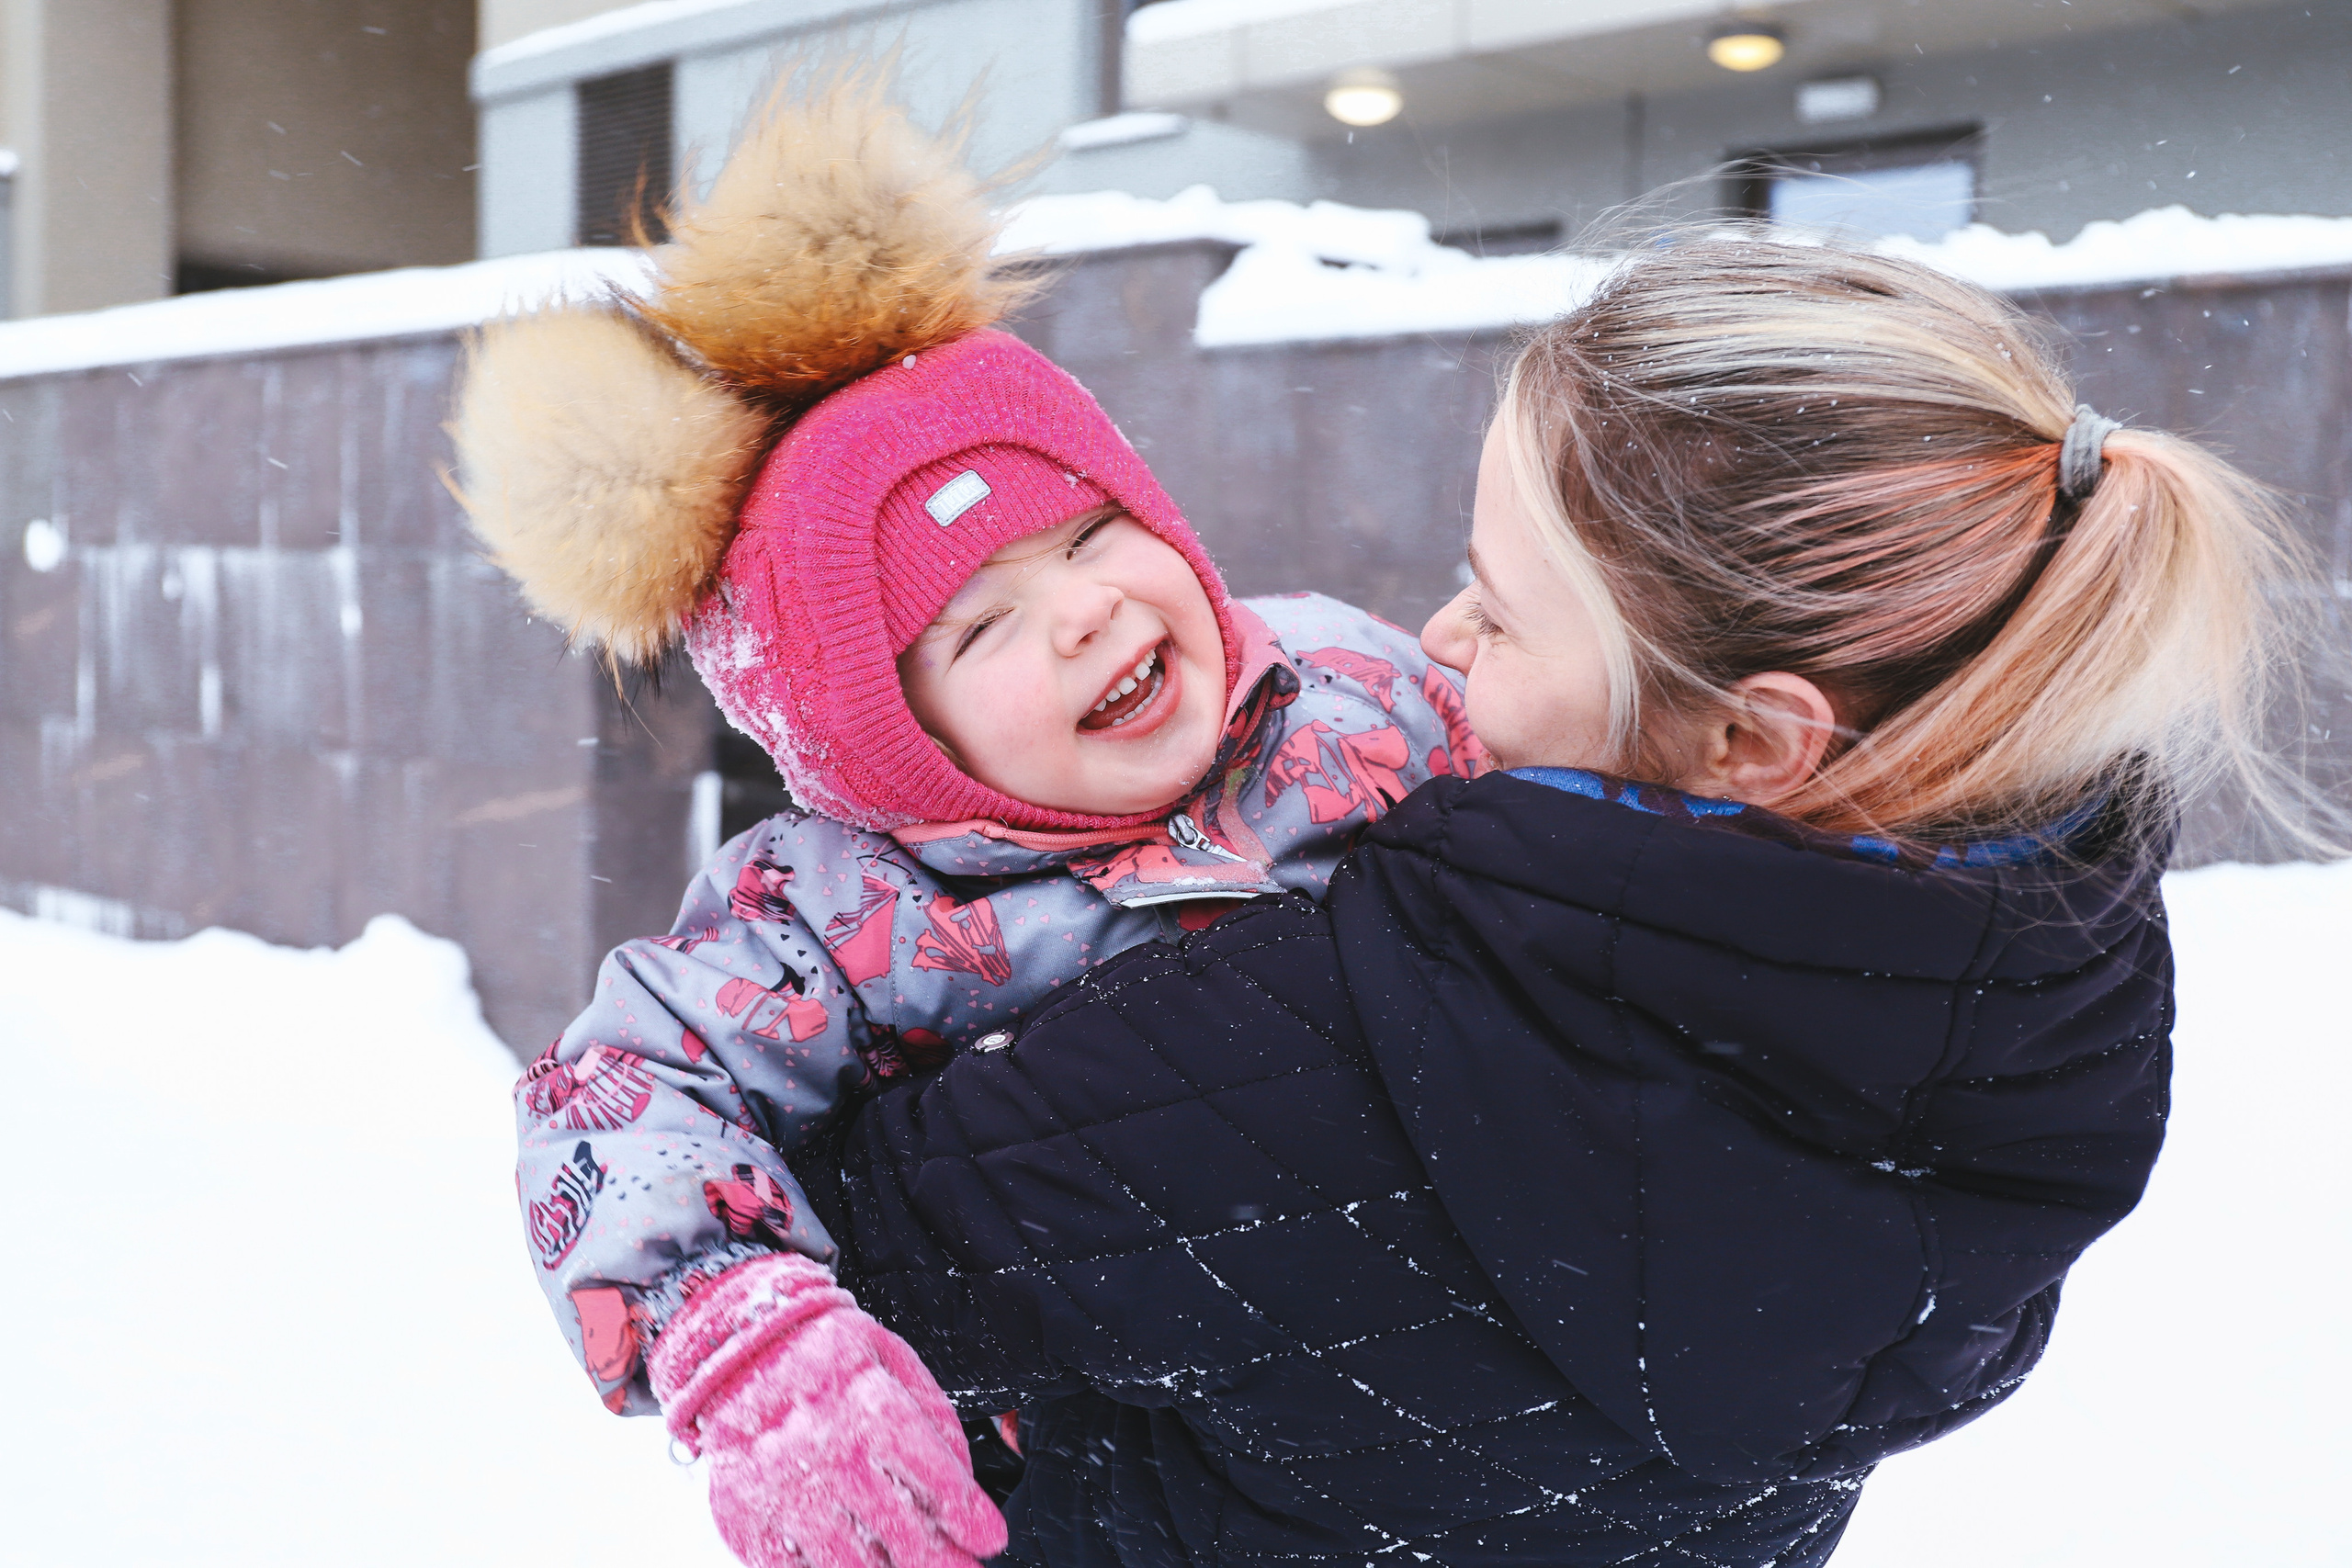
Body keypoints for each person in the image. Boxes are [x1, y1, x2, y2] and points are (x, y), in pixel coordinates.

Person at [792, 236, 2330, 1566]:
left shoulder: (1301, 1048)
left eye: (1504, 609)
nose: (1440, 634)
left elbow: (843, 1243)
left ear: (1752, 740)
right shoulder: (2046, 994)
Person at [454, 66, 1484, 1568]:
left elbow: (1571, 833)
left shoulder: (1348, 687)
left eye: (1091, 534)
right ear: (882, 735)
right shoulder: (844, 910)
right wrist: (744, 1336)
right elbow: (621, 1099)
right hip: (1090, 1483)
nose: (1081, 612)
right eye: (982, 629)